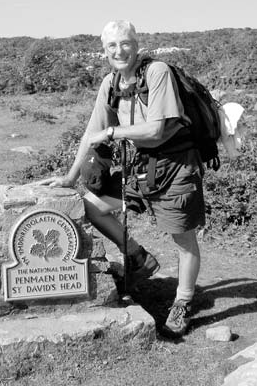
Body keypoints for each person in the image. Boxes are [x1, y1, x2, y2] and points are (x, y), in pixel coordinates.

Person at [39, 20, 205, 337]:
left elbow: (156, 129)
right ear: (104, 50)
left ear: (136, 44)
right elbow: (91, 132)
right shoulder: (111, 83)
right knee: (92, 206)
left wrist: (113, 132)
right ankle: (138, 256)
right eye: (112, 45)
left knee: (183, 239)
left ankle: (182, 303)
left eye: (125, 43)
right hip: (140, 169)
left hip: (174, 168)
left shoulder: (157, 73)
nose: (119, 51)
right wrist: (69, 177)